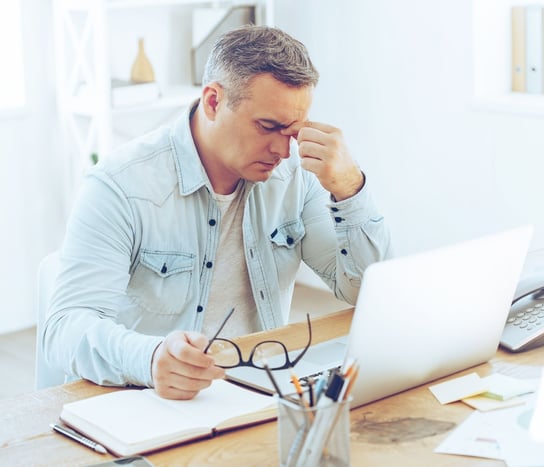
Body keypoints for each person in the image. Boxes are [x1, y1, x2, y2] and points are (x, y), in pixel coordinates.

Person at [44, 25, 392, 400]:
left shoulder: (295, 178)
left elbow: (363, 290)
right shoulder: (119, 186)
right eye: (268, 127)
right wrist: (150, 358)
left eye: (293, 131)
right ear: (213, 101)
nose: (284, 150)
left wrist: (349, 189)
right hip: (149, 399)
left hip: (260, 393)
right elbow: (65, 329)